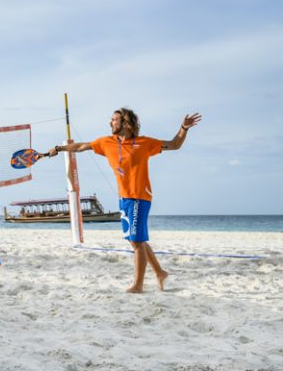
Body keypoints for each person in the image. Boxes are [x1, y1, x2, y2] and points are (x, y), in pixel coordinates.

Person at [45, 108, 201, 293]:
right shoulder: (106, 142)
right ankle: (159, 273)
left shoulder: (145, 143)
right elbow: (81, 147)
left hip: (139, 197)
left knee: (137, 242)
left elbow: (175, 144)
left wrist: (184, 127)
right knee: (136, 240)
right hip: (124, 198)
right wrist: (59, 148)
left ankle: (138, 285)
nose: (110, 123)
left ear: (126, 123)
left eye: (114, 120)